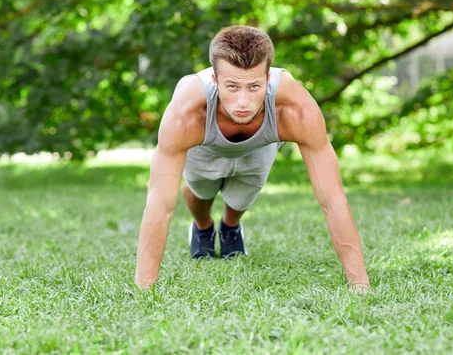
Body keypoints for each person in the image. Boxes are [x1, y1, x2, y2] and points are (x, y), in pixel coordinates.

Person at [135, 25, 370, 292]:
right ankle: (203, 227)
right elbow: (160, 204)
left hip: (259, 145)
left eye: (254, 86)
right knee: (201, 190)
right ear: (215, 79)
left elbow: (332, 197)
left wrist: (359, 283)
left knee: (242, 197)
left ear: (268, 78)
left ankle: (230, 227)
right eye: (232, 86)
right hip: (205, 144)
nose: (243, 101)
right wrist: (145, 288)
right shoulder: (186, 114)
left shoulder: (295, 110)